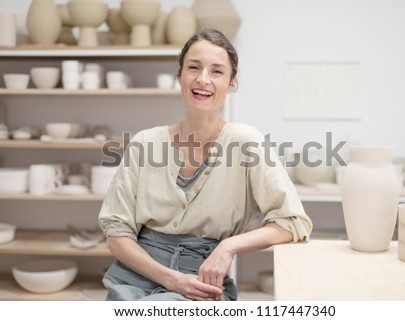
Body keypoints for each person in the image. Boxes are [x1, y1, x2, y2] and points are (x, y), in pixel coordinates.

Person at [98, 27, 313, 301]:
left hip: (203, 283)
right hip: (134, 277)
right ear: (180, 76)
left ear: (232, 82)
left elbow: (292, 223)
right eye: (194, 67)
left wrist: (228, 246)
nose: (203, 79)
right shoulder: (144, 143)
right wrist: (173, 280)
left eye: (217, 71)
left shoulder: (247, 142)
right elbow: (117, 235)